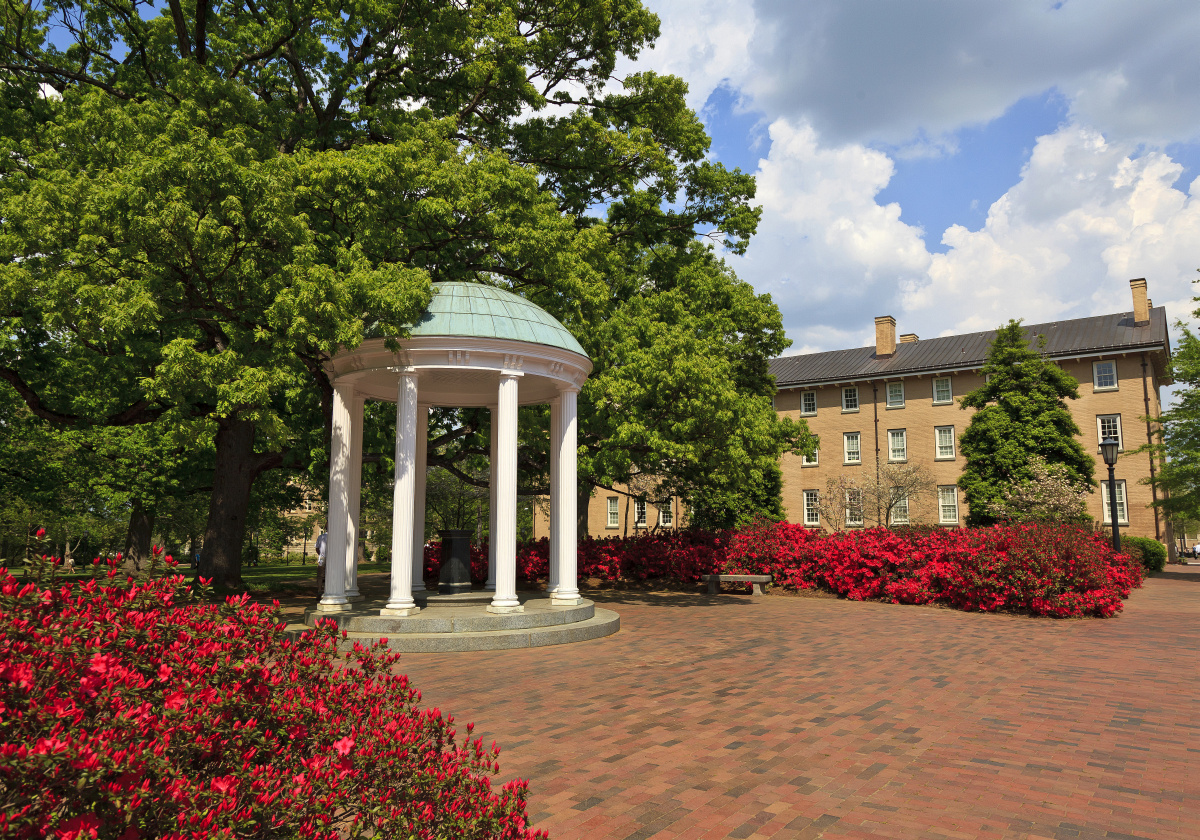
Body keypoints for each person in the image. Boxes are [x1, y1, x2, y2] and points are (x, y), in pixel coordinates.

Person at [315, 530, 328, 595]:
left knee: (320, 575)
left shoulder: (321, 537)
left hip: (322, 558)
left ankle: (319, 590)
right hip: (331, 558)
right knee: (329, 574)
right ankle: (327, 590)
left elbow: (317, 548)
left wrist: (321, 554)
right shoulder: (334, 537)